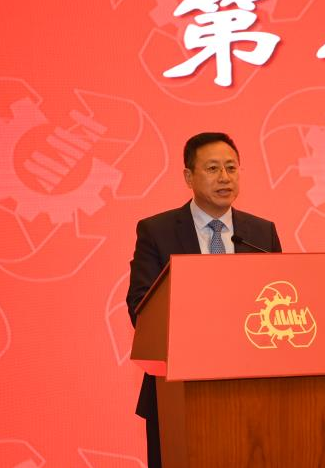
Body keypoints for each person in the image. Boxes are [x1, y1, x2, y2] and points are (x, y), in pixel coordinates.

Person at [126, 132, 282, 468]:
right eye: (212, 169)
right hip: (177, 392)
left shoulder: (261, 233)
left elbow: (280, 300)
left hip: (255, 391)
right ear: (188, 176)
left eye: (231, 168)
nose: (224, 177)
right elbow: (141, 308)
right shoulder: (156, 231)